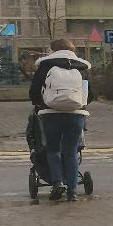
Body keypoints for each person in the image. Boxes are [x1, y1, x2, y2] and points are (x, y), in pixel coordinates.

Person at [29, 38, 92, 202]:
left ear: (53, 50)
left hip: (50, 113)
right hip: (76, 114)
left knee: (53, 149)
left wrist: (40, 103)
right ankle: (72, 191)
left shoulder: (45, 66)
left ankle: (57, 183)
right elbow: (90, 94)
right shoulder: (81, 68)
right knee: (71, 151)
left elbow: (34, 92)